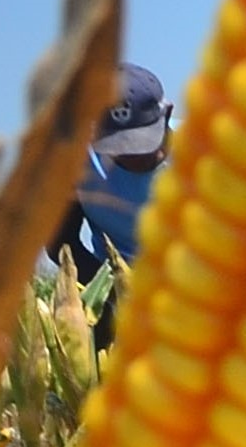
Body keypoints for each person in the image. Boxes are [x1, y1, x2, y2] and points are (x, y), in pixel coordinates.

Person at [60, 63, 173, 346]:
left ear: (167, 115)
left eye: (142, 143)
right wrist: (114, 292)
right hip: (116, 304)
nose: (133, 157)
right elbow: (61, 243)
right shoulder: (77, 168)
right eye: (119, 147)